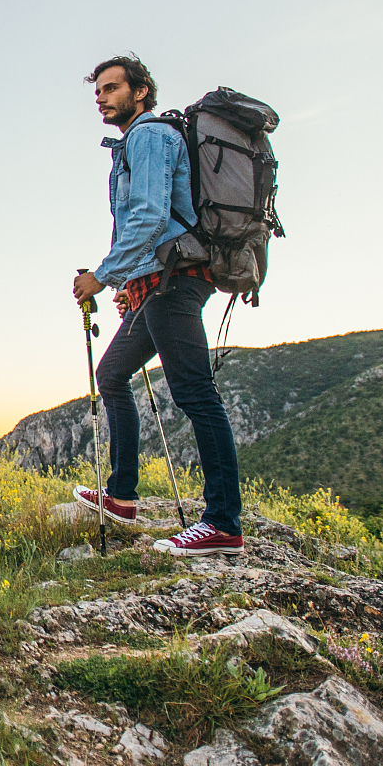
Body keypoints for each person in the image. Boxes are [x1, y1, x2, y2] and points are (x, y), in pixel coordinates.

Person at [69, 55, 245, 556]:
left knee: (195, 395)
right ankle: (122, 496)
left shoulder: (149, 137)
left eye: (110, 88)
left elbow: (147, 217)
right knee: (113, 373)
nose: (100, 98)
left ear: (140, 91)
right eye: (97, 91)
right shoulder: (132, 144)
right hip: (156, 284)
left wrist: (102, 278)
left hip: (176, 284)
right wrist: (128, 280)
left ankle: (222, 524)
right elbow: (143, 225)